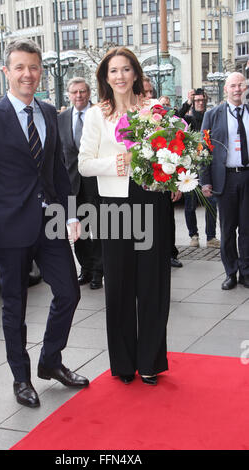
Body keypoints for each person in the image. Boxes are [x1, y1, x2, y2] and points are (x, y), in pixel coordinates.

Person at [0, 39, 89, 409]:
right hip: (9, 228)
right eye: (19, 68)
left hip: (49, 223)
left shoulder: (49, 113)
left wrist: (71, 214)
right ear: (7, 73)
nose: (27, 74)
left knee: (69, 292)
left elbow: (59, 175)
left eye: (33, 67)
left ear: (40, 71)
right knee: (14, 307)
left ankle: (51, 360)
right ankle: (21, 377)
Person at [78, 47, 180, 386]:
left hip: (151, 201)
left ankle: (150, 361)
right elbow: (84, 163)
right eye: (113, 71)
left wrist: (176, 175)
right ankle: (123, 362)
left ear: (136, 74)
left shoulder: (155, 110)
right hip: (114, 205)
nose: (120, 76)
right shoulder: (97, 115)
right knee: (119, 285)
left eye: (125, 70)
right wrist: (114, 164)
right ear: (106, 78)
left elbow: (172, 152)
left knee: (153, 284)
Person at [201, 72, 249, 290]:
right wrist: (205, 181)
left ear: (245, 87)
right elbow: (203, 150)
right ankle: (231, 272)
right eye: (233, 85)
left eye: (240, 85)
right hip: (225, 179)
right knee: (228, 228)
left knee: (247, 229)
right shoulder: (212, 115)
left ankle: (246, 272)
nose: (237, 89)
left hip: (247, 175)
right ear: (226, 89)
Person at [58, 77, 103, 289]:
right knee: (78, 230)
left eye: (83, 91)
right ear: (69, 94)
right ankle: (85, 269)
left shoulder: (100, 114)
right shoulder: (62, 118)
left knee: (99, 228)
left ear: (89, 92)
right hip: (72, 184)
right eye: (74, 92)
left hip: (97, 182)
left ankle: (98, 271)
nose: (79, 96)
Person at [178, 88, 220, 249]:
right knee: (190, 204)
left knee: (211, 202)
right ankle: (193, 235)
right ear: (193, 102)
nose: (200, 103)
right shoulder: (188, 119)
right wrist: (187, 102)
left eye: (202, 100)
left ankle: (211, 237)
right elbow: (177, 117)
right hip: (191, 167)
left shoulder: (211, 117)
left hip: (208, 167)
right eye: (197, 101)